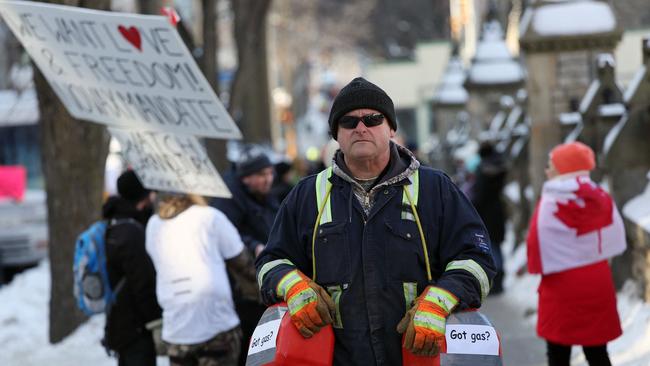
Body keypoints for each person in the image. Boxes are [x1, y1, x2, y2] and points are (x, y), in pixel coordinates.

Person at [255, 77, 496, 365]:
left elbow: (477, 259)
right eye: (348, 121)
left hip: (419, 360)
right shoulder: (307, 196)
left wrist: (441, 299)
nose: (361, 127)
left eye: (372, 118)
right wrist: (293, 286)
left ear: (391, 128)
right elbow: (271, 261)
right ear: (336, 134)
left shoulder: (436, 189)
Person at [526, 142, 625, 366]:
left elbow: (535, 244)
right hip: (596, 281)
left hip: (561, 286)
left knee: (558, 353)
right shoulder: (600, 196)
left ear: (564, 169)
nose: (547, 170)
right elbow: (614, 238)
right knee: (597, 351)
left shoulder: (552, 201)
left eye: (551, 165)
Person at [146, 193, 257, 366]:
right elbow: (245, 265)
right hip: (216, 324)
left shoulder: (153, 224)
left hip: (176, 329)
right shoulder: (210, 217)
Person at [211, 147, 280, 365]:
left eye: (270, 173)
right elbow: (227, 234)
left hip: (264, 277)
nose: (268, 179)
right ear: (246, 178)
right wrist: (254, 246)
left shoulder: (264, 196)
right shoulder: (229, 199)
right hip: (243, 288)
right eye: (261, 175)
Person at [102, 170, 162, 366]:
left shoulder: (114, 223)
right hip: (136, 328)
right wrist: (155, 321)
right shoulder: (132, 233)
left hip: (120, 322)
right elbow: (143, 283)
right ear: (143, 196)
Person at [471, 141, 507, 294]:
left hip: (485, 215)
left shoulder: (483, 170)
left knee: (490, 247)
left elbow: (479, 195)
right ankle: (499, 281)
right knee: (496, 246)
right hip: (497, 212)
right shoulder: (499, 167)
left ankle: (495, 281)